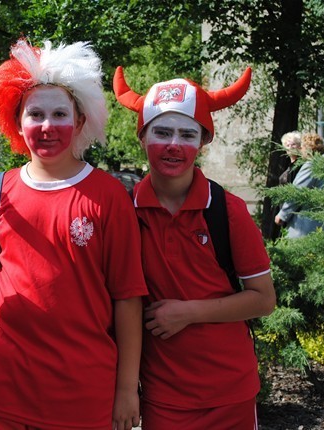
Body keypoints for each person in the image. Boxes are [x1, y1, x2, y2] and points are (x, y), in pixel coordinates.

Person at [0, 39, 148, 430]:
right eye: (35, 114)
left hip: (81, 395)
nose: (46, 126)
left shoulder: (109, 196)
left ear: (79, 122)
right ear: (17, 122)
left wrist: (127, 389)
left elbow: (127, 298)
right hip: (1, 387)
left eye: (59, 114)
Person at [114, 66, 276, 429]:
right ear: (142, 137)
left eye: (187, 134)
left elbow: (263, 300)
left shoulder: (227, 210)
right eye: (162, 132)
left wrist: (188, 312)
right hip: (163, 396)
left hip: (230, 392)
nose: (174, 144)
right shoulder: (124, 212)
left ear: (203, 141)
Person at [275, 132, 324, 238]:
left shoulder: (311, 165)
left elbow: (297, 192)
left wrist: (282, 215)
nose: (300, 149)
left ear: (308, 148)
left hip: (307, 227)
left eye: (302, 146)